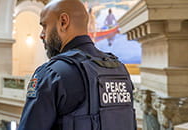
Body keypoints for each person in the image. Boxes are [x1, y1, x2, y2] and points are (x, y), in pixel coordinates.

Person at [18, 0, 136, 130]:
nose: (42, 35)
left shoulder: (52, 74)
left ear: (63, 22)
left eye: (45, 26)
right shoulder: (119, 70)